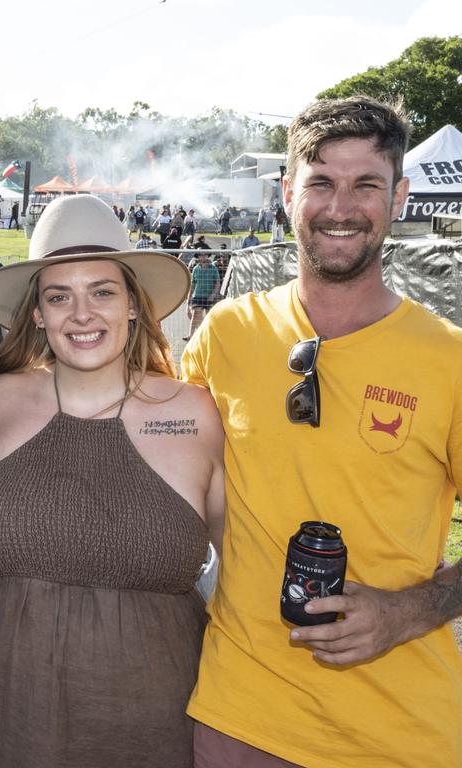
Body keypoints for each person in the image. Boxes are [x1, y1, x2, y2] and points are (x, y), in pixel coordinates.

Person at [183, 95, 462, 767]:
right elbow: (152, 448)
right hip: (238, 716)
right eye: (321, 183)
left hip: (399, 733)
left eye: (366, 184)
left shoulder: (448, 359)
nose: (342, 207)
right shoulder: (228, 331)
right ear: (287, 194)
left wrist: (412, 610)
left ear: (397, 195)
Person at [0, 194, 224, 767]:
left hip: (153, 715)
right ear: (38, 314)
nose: (82, 313)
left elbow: (245, 569)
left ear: (133, 307)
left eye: (102, 291)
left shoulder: (195, 413)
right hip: (1, 709)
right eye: (58, 296)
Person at [183, 251, 220, 341]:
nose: (203, 257)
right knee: (195, 314)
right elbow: (192, 284)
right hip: (198, 295)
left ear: (208, 256)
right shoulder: (196, 268)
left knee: (208, 316)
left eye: (205, 255)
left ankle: (207, 334)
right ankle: (191, 335)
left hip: (209, 295)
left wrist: (213, 294)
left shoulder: (213, 268)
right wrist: (189, 297)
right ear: (198, 257)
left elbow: (217, 283)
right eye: (201, 255)